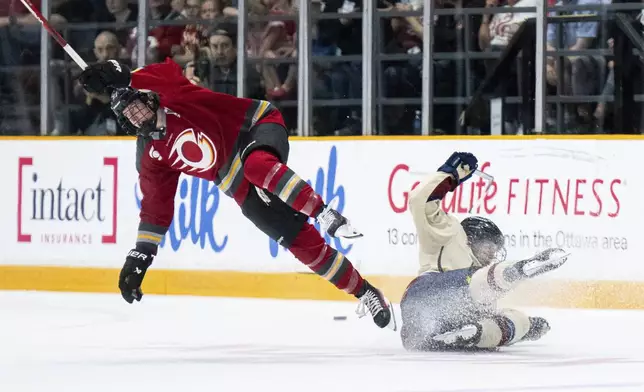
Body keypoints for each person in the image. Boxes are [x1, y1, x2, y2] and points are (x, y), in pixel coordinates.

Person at [77, 58, 396, 331]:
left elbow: (165, 72)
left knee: (257, 165)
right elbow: (155, 207)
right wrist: (141, 255)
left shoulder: (174, 95)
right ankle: (365, 292)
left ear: (148, 98)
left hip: (255, 126)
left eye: (135, 105)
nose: (134, 116)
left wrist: (116, 73)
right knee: (294, 239)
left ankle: (324, 213)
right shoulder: (149, 153)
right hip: (233, 181)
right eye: (127, 115)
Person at [400, 152, 569, 350]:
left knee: (510, 317)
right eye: (490, 247)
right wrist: (450, 175)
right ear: (473, 238)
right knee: (477, 280)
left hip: (425, 335)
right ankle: (520, 269)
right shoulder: (449, 231)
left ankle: (473, 335)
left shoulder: (483, 288)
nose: (492, 255)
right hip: (424, 296)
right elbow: (419, 199)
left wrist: (523, 327)